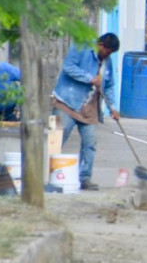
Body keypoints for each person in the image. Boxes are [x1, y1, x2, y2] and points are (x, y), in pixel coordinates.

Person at [51, 33, 121, 191]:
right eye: (107, 52)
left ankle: (84, 178)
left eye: (110, 54)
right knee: (56, 139)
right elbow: (68, 67)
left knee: (90, 143)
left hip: (89, 108)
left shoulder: (107, 62)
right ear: (100, 45)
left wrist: (113, 108)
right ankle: (46, 174)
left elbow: (109, 86)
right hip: (66, 102)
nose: (108, 56)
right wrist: (89, 78)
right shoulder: (81, 47)